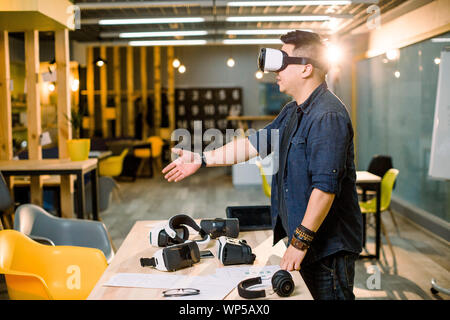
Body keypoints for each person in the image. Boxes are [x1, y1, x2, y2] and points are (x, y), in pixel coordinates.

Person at [162, 30, 362, 300]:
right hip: (310, 243)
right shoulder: (294, 111)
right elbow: (251, 144)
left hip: (328, 248)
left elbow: (324, 189)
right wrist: (201, 158)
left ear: (306, 69)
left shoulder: (327, 115)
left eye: (283, 61)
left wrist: (299, 242)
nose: (275, 71)